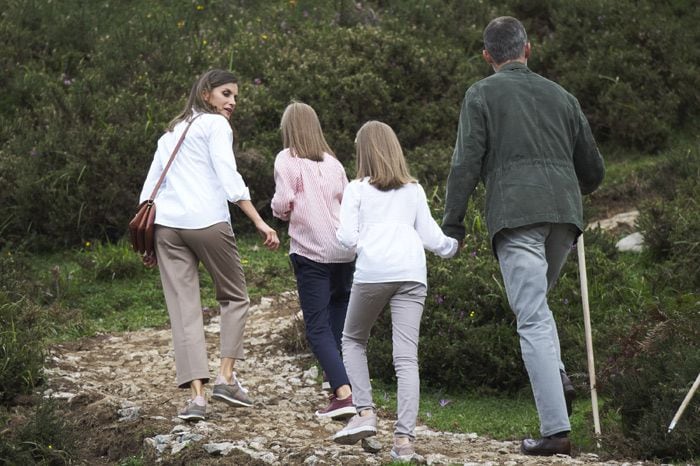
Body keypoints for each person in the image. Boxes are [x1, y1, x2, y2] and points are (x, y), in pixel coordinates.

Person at [441, 17, 605, 456]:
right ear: (528, 50)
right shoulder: (563, 96)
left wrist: (452, 223)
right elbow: (594, 172)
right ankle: (559, 375)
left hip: (516, 215)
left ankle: (555, 432)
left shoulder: (481, 94)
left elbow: (464, 164)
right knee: (538, 305)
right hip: (565, 218)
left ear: (487, 57)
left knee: (530, 315)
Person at [138, 69, 280, 422]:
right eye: (226, 94)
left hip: (167, 228)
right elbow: (229, 177)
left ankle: (197, 400)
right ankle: (225, 378)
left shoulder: (169, 134)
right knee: (234, 297)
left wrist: (147, 241)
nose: (232, 102)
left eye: (234, 97)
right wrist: (259, 221)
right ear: (206, 94)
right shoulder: (216, 126)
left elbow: (149, 190)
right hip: (206, 222)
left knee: (184, 310)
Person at [333, 121, 458, 461]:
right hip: (412, 273)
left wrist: (366, 245)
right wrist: (453, 246)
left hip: (374, 271)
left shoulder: (357, 189)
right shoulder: (413, 190)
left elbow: (344, 237)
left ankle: (365, 413)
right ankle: (403, 443)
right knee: (406, 358)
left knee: (353, 340)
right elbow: (434, 239)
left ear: (364, 152)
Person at [270, 101, 357, 420]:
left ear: (289, 129)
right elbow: (349, 204)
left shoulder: (287, 159)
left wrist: (279, 213)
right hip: (344, 252)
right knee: (337, 323)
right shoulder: (334, 162)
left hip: (312, 253)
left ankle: (344, 395)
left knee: (317, 328)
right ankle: (343, 385)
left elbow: (282, 203)